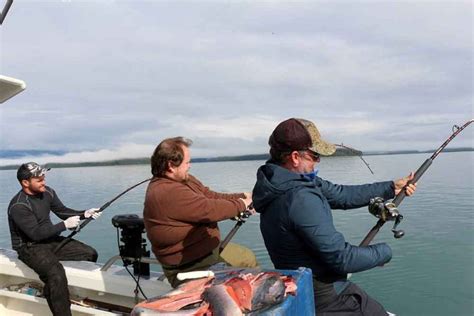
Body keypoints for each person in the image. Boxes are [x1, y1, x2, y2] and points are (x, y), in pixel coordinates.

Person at [252, 118, 417, 315]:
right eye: (314, 156)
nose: (318, 161)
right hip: (328, 299)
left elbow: (341, 195)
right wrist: (385, 252)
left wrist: (391, 187)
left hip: (303, 290)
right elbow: (343, 258)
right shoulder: (300, 198)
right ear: (295, 157)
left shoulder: (278, 181)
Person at [144, 137, 258, 287]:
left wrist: (243, 196)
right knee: (241, 285)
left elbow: (211, 196)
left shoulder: (185, 180)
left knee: (247, 257)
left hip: (208, 252)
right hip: (190, 266)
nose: (189, 166)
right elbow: (208, 209)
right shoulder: (166, 192)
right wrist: (241, 205)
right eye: (187, 163)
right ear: (171, 165)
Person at [7, 162, 101, 316]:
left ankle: (58, 291)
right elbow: (35, 234)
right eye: (39, 180)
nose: (44, 182)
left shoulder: (48, 192)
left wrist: (85, 214)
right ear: (25, 183)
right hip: (29, 247)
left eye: (43, 178)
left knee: (90, 253)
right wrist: (64, 225)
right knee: (55, 274)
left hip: (50, 240)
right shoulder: (18, 206)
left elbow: (62, 211)